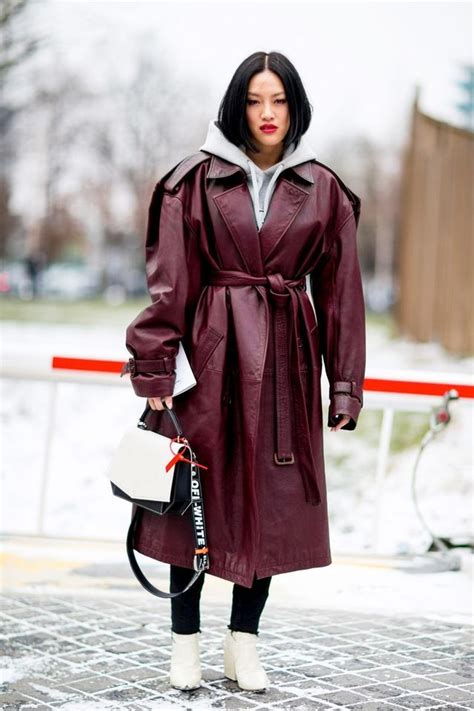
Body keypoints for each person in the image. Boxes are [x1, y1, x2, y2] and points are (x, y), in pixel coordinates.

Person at [124, 50, 366, 693]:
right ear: (236, 105)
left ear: (296, 108)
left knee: (271, 501)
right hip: (209, 357)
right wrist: (155, 375)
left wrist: (344, 384)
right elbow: (169, 288)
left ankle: (244, 641)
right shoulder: (191, 181)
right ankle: (184, 644)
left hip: (286, 361)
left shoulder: (324, 189)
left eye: (279, 101)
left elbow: (342, 294)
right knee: (190, 501)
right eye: (256, 100)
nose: (267, 114)